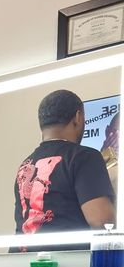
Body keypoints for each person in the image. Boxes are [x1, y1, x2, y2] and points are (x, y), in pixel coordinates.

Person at [14, 89, 115, 236]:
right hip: (69, 258)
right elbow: (102, 222)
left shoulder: (25, 165)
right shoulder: (85, 157)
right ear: (78, 117)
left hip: (23, 257)